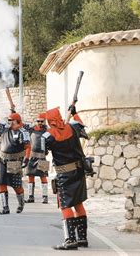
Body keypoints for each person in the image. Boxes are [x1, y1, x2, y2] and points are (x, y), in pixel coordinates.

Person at [44, 107, 89, 250]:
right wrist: (75, 113)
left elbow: (41, 153)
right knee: (78, 202)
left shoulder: (48, 135)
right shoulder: (73, 127)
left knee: (65, 205)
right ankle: (82, 238)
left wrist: (42, 172)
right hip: (79, 171)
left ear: (50, 121)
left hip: (64, 174)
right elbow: (82, 126)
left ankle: (70, 240)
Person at [0, 107, 30, 214]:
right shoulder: (4, 129)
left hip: (15, 161)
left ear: (17, 121)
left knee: (17, 186)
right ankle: (5, 207)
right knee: (1, 183)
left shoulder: (23, 132)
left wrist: (27, 158)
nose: (9, 122)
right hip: (3, 160)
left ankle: (21, 203)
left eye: (11, 120)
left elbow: (27, 146)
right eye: (8, 120)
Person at [24, 113, 49, 204]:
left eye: (41, 121)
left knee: (43, 177)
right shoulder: (31, 130)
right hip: (32, 156)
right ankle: (31, 197)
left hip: (42, 157)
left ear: (44, 121)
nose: (40, 123)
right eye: (38, 121)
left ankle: (45, 197)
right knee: (30, 176)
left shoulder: (47, 131)